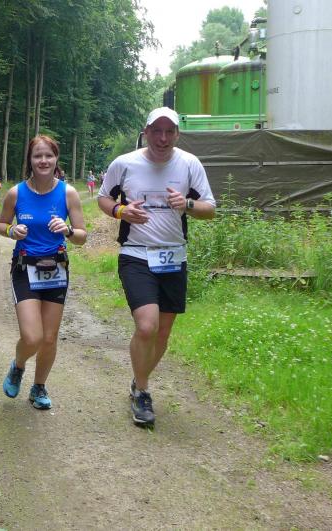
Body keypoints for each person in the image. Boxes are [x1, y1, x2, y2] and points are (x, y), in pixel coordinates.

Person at [97, 107, 216, 427]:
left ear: (177, 134)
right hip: (136, 254)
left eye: (169, 132)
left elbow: (210, 209)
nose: (163, 138)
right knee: (147, 326)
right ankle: (143, 392)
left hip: (174, 257)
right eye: (157, 131)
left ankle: (138, 383)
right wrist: (121, 212)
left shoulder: (190, 164)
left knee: (163, 332)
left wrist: (187, 204)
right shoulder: (125, 163)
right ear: (146, 131)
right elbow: (103, 198)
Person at [0, 135, 86, 410]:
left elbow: (82, 236)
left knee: (49, 338)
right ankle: (18, 365)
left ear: (56, 159)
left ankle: (39, 387)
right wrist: (12, 231)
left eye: (49, 155)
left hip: (56, 267)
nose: (43, 160)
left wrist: (68, 230)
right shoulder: (16, 193)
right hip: (25, 267)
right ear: (30, 160)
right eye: (38, 156)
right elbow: (1, 224)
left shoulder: (68, 193)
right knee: (32, 336)